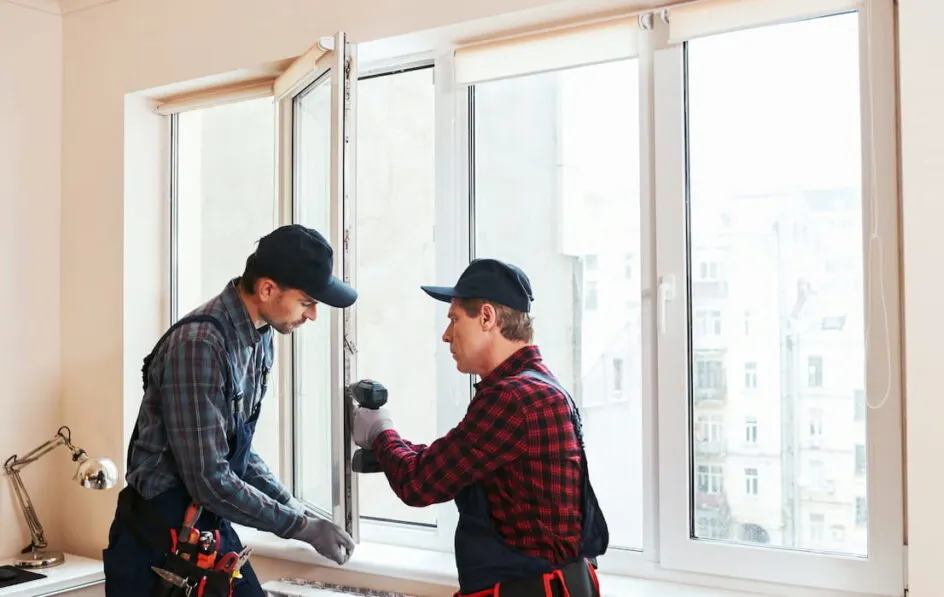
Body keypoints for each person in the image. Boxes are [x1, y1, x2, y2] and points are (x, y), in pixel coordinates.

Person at [104, 224, 357, 597]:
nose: (313, 315)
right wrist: (299, 526)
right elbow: (209, 479)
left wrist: (289, 502)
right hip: (157, 541)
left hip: (205, 526)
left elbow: (235, 446)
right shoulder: (199, 346)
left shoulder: (259, 338)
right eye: (307, 301)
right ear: (267, 289)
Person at [351, 258, 609, 597]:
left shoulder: (513, 399)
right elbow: (450, 461)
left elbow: (419, 483)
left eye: (454, 319)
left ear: (486, 317)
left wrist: (380, 431)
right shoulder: (540, 387)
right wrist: (389, 451)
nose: (446, 335)